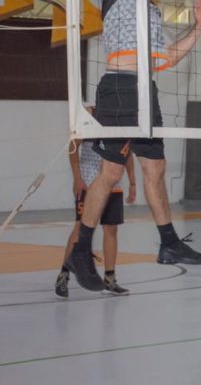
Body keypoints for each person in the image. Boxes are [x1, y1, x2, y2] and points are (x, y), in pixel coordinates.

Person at [67, 0, 201, 293]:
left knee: (155, 168)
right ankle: (81, 251)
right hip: (120, 88)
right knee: (111, 174)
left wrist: (198, 27)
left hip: (145, 89)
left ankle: (168, 242)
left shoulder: (147, 6)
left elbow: (166, 58)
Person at [56, 120, 136, 299]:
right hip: (89, 180)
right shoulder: (89, 117)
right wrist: (77, 178)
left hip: (114, 183)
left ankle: (110, 279)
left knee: (111, 229)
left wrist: (132, 182)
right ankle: (63, 275)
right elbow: (73, 147)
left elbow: (127, 153)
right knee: (80, 227)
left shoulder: (122, 119)